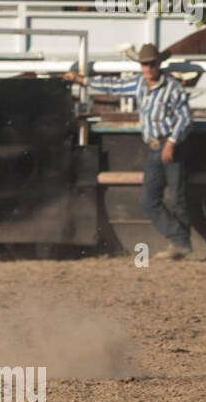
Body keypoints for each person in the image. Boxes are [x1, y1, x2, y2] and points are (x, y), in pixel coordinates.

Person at [64, 43, 193, 259]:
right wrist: (84, 81)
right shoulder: (139, 85)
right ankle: (180, 241)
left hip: (171, 145)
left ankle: (180, 243)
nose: (148, 68)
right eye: (145, 64)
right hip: (154, 146)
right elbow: (113, 86)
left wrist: (171, 141)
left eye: (151, 64)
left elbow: (186, 118)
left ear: (158, 64)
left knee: (177, 197)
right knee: (149, 198)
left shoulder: (172, 88)